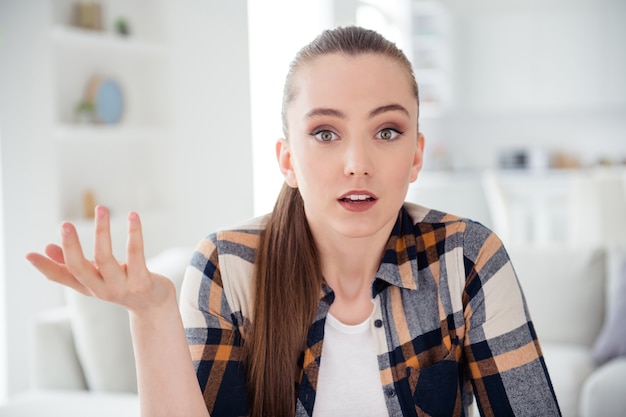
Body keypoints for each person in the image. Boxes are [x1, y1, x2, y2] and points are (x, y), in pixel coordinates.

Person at [26, 26, 561, 417]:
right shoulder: (225, 268)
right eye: (326, 133)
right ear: (287, 160)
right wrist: (151, 315)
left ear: (417, 155)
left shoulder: (467, 258)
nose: (357, 162)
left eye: (388, 131)